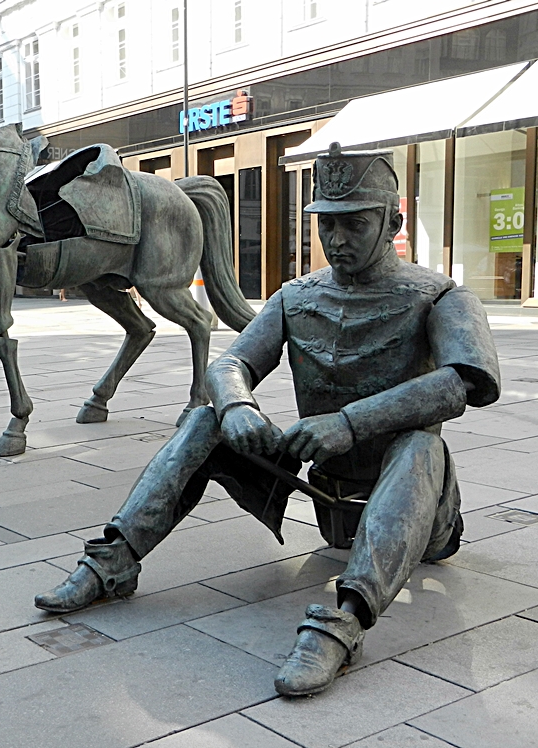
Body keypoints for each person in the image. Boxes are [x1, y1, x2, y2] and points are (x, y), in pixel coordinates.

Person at [34, 143, 501, 698]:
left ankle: (343, 621)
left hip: (419, 514)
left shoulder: (440, 295)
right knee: (204, 421)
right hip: (325, 494)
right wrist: (237, 405)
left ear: (394, 220)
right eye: (326, 224)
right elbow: (231, 362)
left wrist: (349, 422)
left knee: (421, 446)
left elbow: (464, 382)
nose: (337, 239)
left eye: (355, 223)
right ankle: (114, 559)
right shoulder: (296, 297)